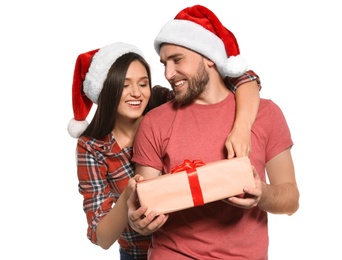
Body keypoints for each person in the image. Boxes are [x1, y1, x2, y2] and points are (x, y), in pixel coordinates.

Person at [127, 5, 300, 260]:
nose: (167, 74)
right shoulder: (155, 122)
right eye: (164, 63)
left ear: (209, 57)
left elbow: (291, 200)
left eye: (177, 60)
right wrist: (137, 221)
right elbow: (145, 201)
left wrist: (262, 194)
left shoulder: (265, 114)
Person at [67, 40, 261, 259]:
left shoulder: (162, 105)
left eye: (143, 84)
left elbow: (244, 78)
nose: (136, 93)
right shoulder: (91, 146)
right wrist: (132, 196)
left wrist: (242, 128)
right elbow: (100, 236)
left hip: (186, 246)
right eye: (124, 85)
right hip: (138, 253)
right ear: (105, 90)